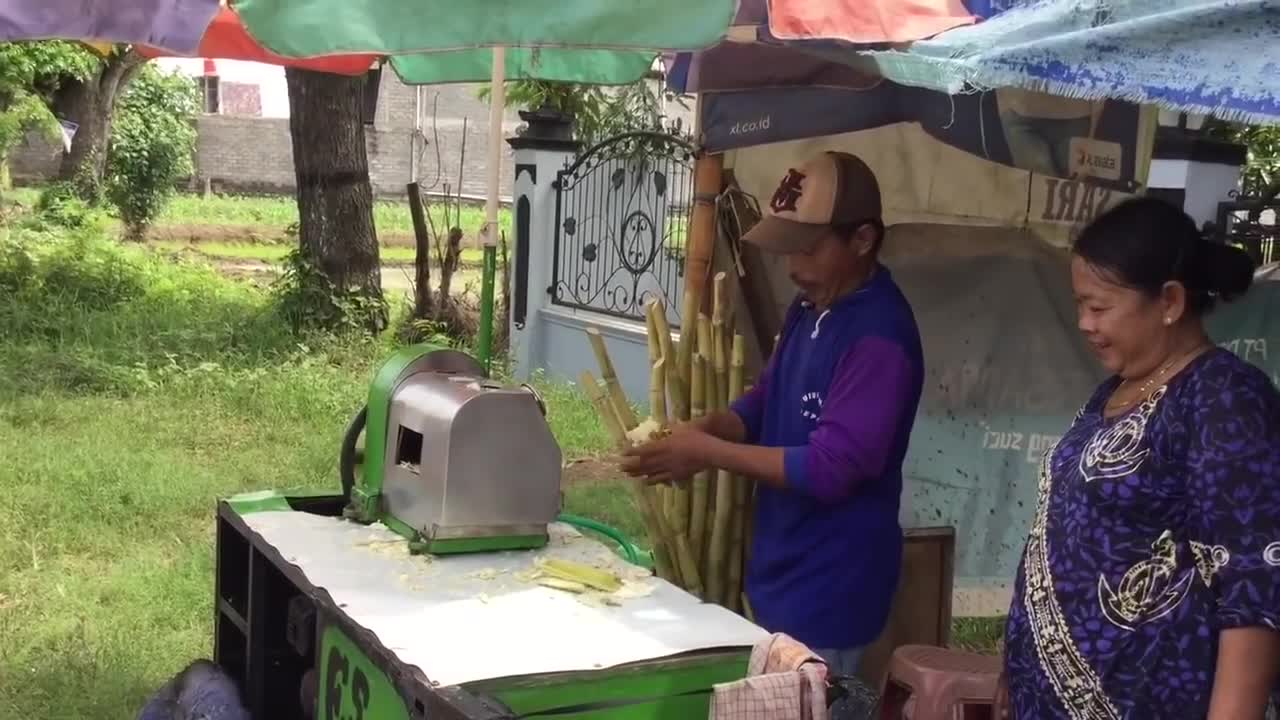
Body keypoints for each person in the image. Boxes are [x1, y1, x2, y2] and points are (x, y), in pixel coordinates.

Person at [621, 151, 925, 689]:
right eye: (788, 248)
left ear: (863, 239)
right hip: (780, 573)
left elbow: (833, 469)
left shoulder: (879, 339)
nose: (792, 267)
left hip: (832, 589)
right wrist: (709, 428)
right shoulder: (810, 307)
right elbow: (767, 401)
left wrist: (707, 454)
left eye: (808, 248)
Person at [995, 197, 1280, 719]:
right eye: (1078, 304)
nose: (1083, 322)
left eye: (1098, 306)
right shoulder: (1112, 392)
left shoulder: (1222, 398)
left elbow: (1254, 589)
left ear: (1169, 300)